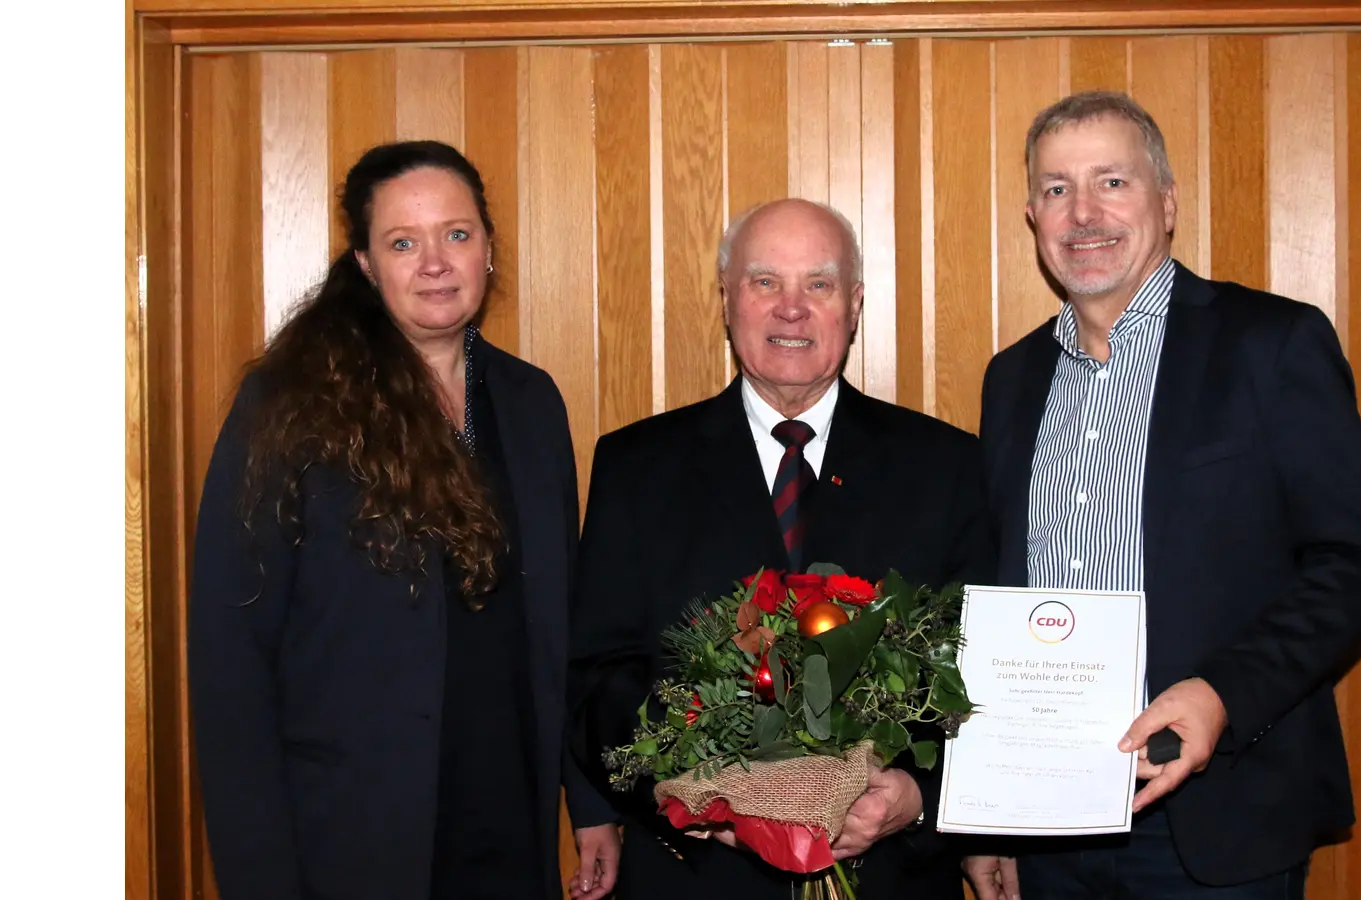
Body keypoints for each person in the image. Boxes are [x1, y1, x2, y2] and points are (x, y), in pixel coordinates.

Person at [965, 92, 1361, 900]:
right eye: (1058, 189)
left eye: (1113, 182)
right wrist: (993, 818)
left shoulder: (1271, 343)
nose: (1084, 213)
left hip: (1216, 819)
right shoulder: (1012, 379)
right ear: (1033, 218)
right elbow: (1003, 588)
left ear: (1166, 203)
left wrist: (1222, 696)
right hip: (1048, 814)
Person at [188, 140, 620, 900]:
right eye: (402, 243)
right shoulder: (288, 408)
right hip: (350, 838)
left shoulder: (531, 402)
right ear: (364, 263)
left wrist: (589, 802)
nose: (435, 263)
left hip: (505, 823)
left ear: (488, 249)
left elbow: (560, 625)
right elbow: (232, 664)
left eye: (456, 234)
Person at [566, 198, 995, 898]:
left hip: (891, 877)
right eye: (765, 281)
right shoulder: (635, 467)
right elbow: (596, 677)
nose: (791, 309)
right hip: (699, 878)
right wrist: (691, 796)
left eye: (818, 284)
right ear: (726, 300)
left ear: (854, 306)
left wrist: (918, 798)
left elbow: (981, 671)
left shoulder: (945, 466)